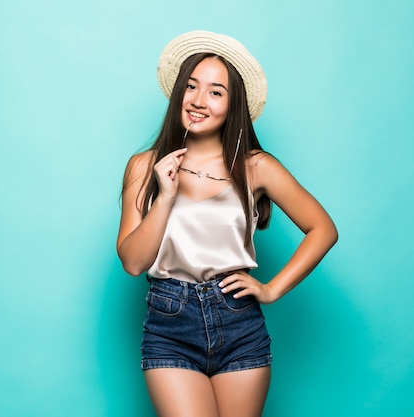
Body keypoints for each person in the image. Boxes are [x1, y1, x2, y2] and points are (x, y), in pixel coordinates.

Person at [116, 30, 338, 417]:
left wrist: (270, 289)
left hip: (238, 322)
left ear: (232, 105)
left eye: (216, 92)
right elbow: (133, 263)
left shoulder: (256, 167)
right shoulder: (144, 166)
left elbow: (323, 229)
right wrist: (165, 196)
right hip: (170, 323)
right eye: (191, 87)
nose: (199, 101)